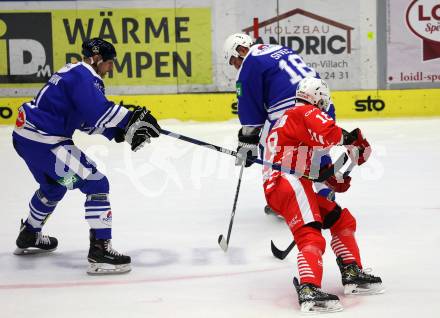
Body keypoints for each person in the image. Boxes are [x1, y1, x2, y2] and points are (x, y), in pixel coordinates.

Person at [12, 38, 161, 275]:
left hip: (26, 140)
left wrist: (120, 132)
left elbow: (85, 120)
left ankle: (30, 233)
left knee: (54, 186)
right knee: (95, 182)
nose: (110, 69)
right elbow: (98, 111)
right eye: (109, 63)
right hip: (46, 143)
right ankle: (100, 251)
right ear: (97, 58)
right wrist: (132, 118)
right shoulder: (84, 75)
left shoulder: (72, 73)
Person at [263, 77, 383, 313]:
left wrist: (331, 176)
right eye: (324, 102)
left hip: (286, 184)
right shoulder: (305, 112)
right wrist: (351, 139)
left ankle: (352, 272)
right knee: (310, 233)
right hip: (288, 182)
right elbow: (329, 131)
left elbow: (311, 157)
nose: (325, 107)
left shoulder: (289, 118)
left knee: (340, 219)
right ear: (317, 97)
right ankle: (309, 289)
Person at [222, 33, 336, 218]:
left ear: (241, 50)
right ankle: (325, 192)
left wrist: (247, 141)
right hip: (324, 106)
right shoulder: (279, 49)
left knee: (274, 150)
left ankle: (285, 201)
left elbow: (250, 109)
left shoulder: (249, 64)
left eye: (234, 61)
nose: (236, 67)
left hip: (293, 113)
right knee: (315, 149)